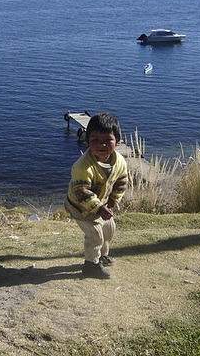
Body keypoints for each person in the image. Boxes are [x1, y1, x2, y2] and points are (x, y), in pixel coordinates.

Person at [65, 113, 128, 279]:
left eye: (108, 140)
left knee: (109, 229)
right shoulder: (82, 167)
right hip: (81, 208)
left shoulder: (119, 161)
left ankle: (102, 255)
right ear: (87, 140)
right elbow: (81, 192)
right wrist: (99, 208)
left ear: (118, 140)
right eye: (95, 140)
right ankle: (91, 265)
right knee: (95, 235)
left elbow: (122, 181)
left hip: (102, 205)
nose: (102, 145)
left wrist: (113, 202)